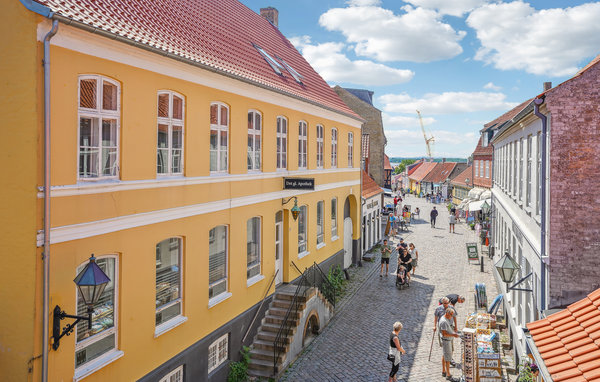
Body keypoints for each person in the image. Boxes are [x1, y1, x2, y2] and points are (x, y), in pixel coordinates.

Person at [439, 308, 460, 381]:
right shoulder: (444, 321)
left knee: (445, 355)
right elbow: (444, 334)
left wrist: (453, 329)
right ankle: (448, 375)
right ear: (447, 313)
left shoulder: (445, 318)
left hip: (448, 340)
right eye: (452, 315)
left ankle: (443, 371)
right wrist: (453, 335)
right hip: (446, 341)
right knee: (448, 358)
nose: (452, 316)